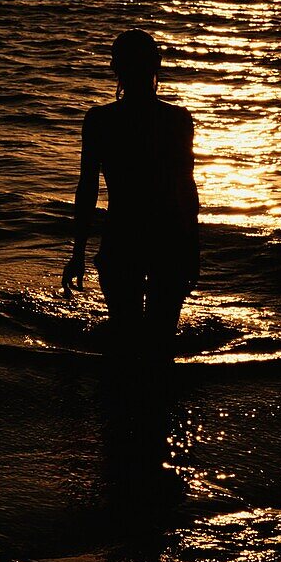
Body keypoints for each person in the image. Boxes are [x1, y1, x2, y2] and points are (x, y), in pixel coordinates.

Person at [62, 29, 199, 358]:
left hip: (122, 238)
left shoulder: (100, 121)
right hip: (168, 240)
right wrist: (193, 248)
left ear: (115, 68)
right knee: (160, 343)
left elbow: (87, 190)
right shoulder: (177, 120)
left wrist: (78, 251)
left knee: (125, 340)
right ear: (158, 65)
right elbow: (186, 190)